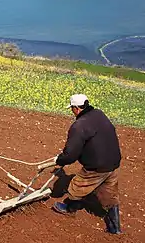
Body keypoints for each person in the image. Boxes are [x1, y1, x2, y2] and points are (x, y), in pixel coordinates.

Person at [52, 94, 122, 234]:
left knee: (77, 185)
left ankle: (70, 208)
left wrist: (59, 160)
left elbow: (70, 155)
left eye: (72, 108)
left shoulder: (79, 125)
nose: (72, 111)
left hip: (97, 165)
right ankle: (115, 228)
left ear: (77, 108)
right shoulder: (99, 114)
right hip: (113, 161)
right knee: (109, 193)